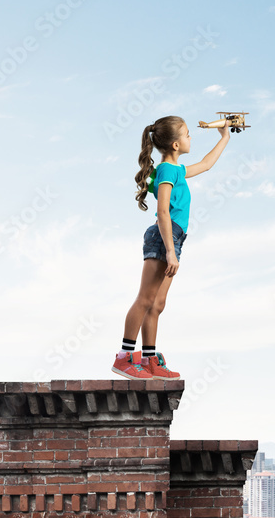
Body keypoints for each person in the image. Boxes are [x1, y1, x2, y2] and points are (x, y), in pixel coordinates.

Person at [111, 115, 230, 380]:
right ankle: (124, 357)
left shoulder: (176, 170)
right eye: (187, 134)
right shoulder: (166, 170)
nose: (191, 138)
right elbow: (163, 211)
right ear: (175, 145)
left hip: (172, 238)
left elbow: (207, 164)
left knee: (157, 304)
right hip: (164, 237)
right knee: (145, 299)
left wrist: (224, 137)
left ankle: (150, 360)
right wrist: (170, 250)